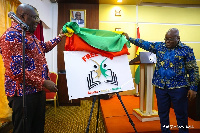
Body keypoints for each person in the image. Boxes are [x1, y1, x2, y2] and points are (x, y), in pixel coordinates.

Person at [0, 3, 65, 133]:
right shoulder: (11, 36)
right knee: (24, 129)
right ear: (23, 16)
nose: (37, 21)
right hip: (23, 95)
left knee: (37, 127)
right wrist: (44, 82)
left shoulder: (29, 35)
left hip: (37, 91)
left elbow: (43, 47)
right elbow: (16, 71)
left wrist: (59, 37)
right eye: (34, 17)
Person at [124, 28, 199, 133]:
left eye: (170, 39)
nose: (167, 41)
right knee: (163, 114)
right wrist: (130, 39)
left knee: (181, 114)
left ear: (178, 38)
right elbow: (145, 44)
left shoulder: (186, 50)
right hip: (161, 88)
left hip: (179, 88)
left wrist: (193, 88)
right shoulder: (160, 46)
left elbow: (193, 70)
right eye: (166, 39)